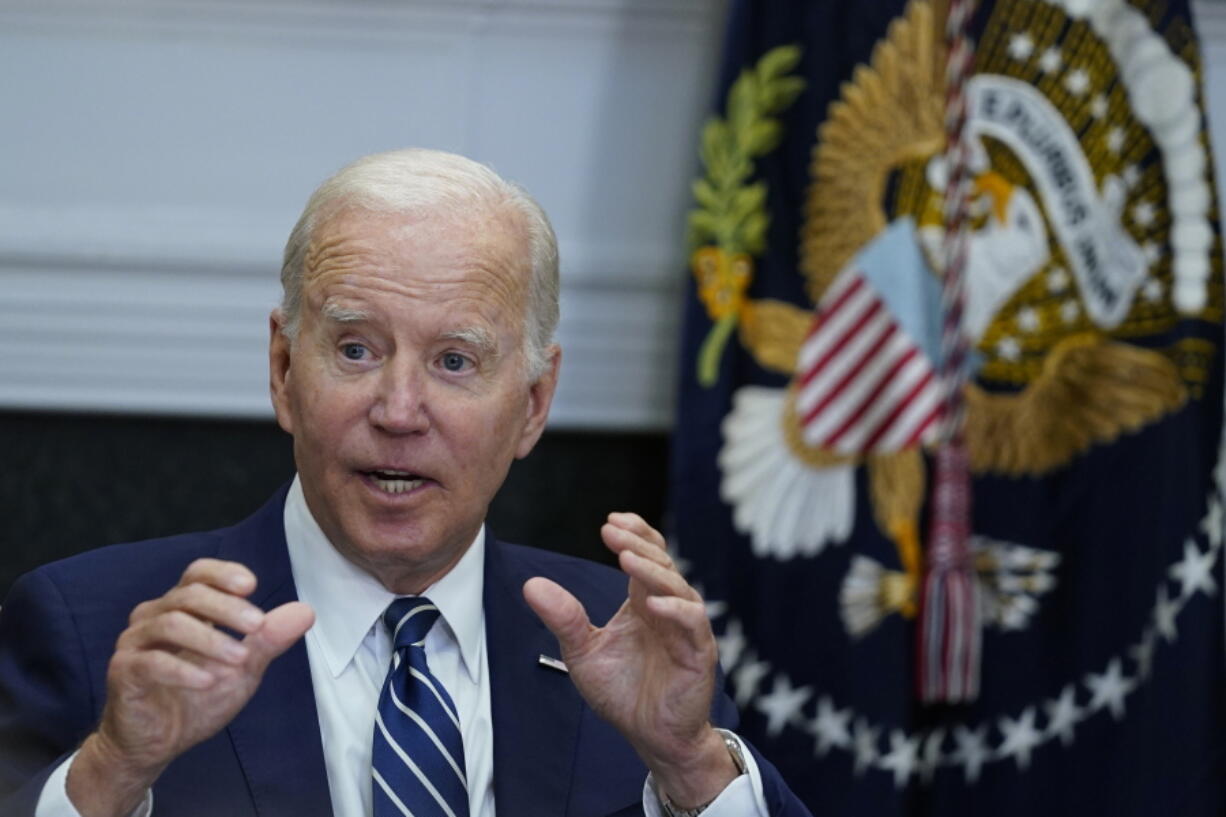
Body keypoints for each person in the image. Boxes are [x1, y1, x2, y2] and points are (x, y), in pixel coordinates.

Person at [0, 149, 810, 817]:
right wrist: (109, 770)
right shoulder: (92, 631)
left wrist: (691, 764)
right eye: (355, 349)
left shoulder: (628, 643)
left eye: (455, 361)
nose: (398, 410)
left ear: (533, 404)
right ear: (284, 370)